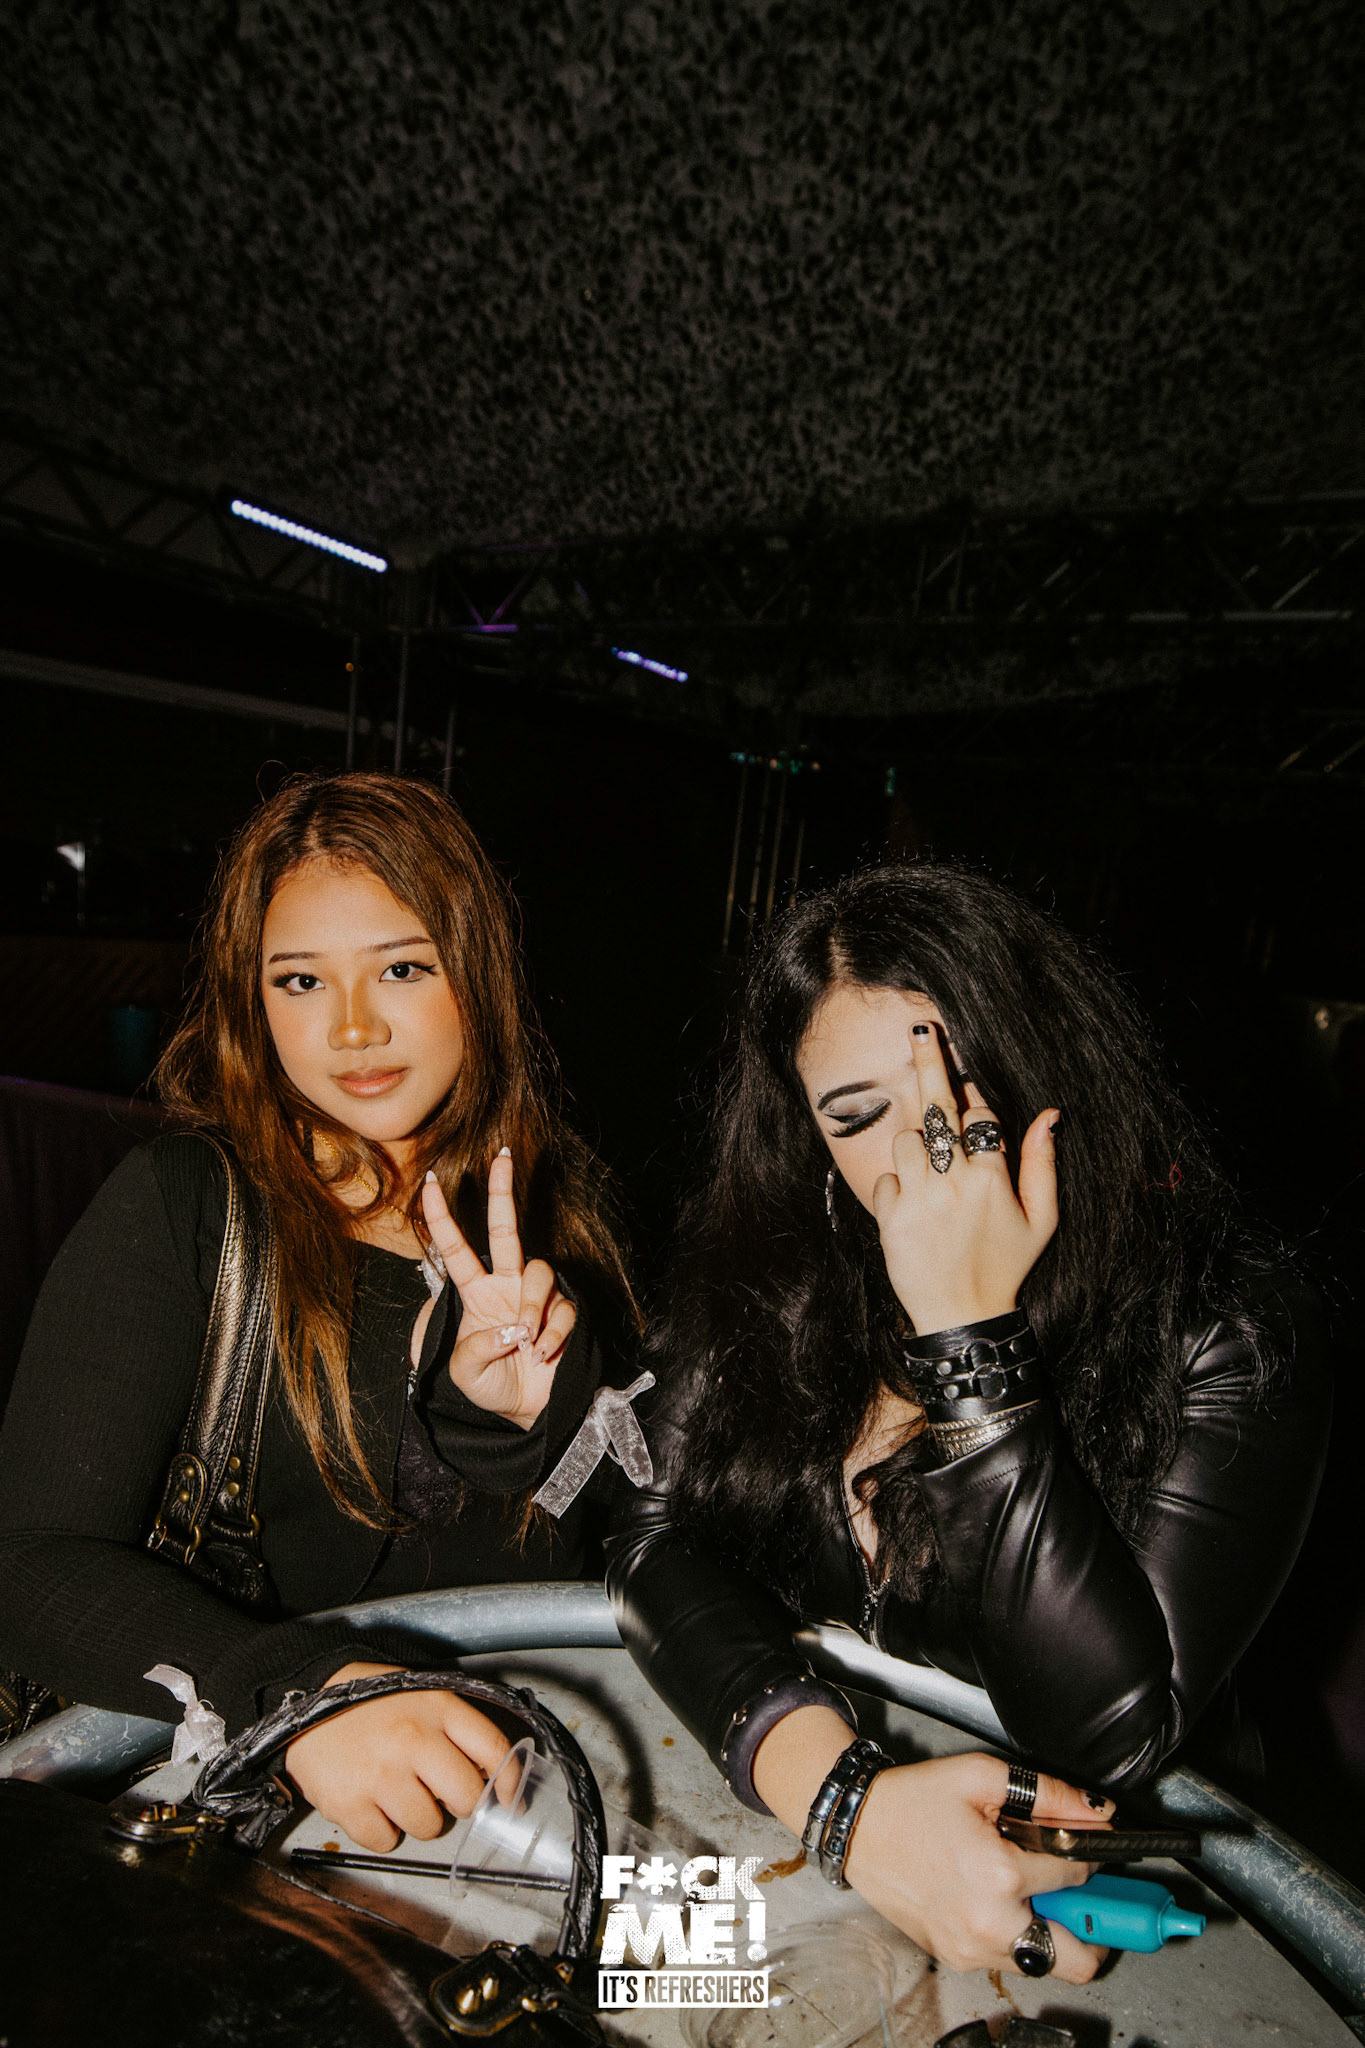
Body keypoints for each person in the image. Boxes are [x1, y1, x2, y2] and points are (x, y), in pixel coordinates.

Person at [606, 862, 1332, 1983]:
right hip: (817, 1865)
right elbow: (651, 1533)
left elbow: (1109, 1733)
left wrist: (969, 1341)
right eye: (857, 1115)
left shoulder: (1220, 1320)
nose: (920, 1151)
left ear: (1044, 1071)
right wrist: (836, 1792)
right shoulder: (780, 1268)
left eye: (956, 1091)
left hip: (1101, 1917)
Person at [0, 771, 636, 1854]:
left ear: (477, 973)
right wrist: (295, 1693)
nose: (351, 1027)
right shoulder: (189, 1209)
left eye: (401, 967)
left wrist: (514, 1427)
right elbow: (30, 1563)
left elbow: (621, 1567)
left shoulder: (563, 1222)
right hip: (231, 1843)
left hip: (516, 1838)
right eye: (300, 980)